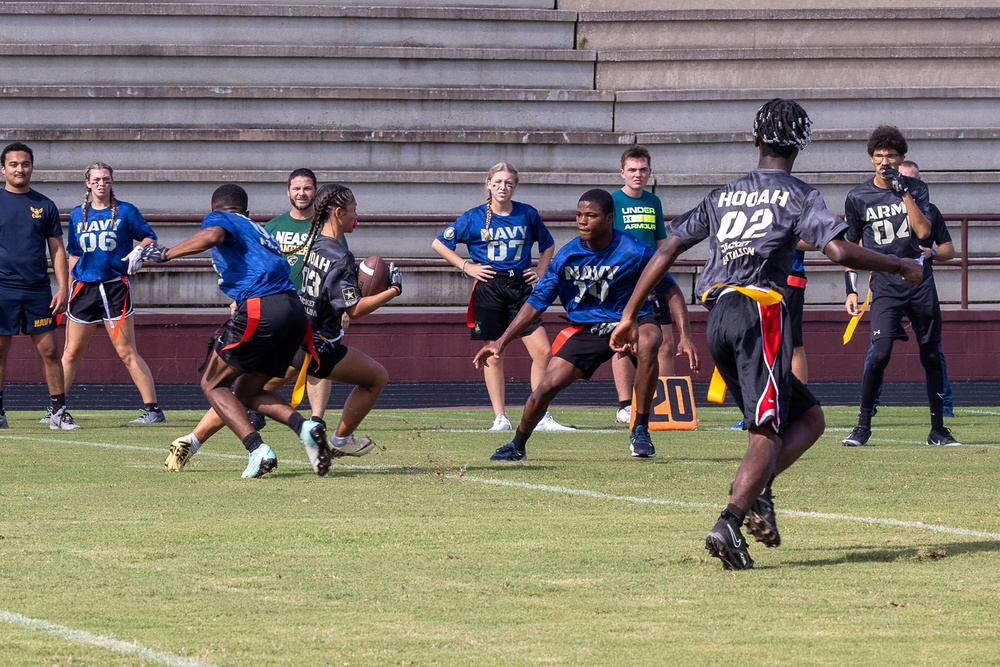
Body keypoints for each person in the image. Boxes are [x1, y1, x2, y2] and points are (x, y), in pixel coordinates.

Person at [610, 99, 923, 570]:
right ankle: (731, 518)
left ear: (755, 140)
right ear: (801, 144)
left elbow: (669, 247)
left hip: (719, 315)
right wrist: (900, 264)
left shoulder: (723, 194)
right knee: (766, 430)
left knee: (809, 417)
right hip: (761, 313)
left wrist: (629, 312)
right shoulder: (799, 194)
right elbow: (837, 251)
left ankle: (758, 492)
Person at [163, 184, 402, 475]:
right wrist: (393, 290)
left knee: (243, 391)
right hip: (307, 333)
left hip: (291, 323)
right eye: (354, 209)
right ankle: (334, 437)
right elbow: (353, 308)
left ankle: (197, 439)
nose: (358, 214)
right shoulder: (337, 254)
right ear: (339, 213)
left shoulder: (313, 245)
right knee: (374, 376)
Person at [473, 189, 699, 461]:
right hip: (590, 328)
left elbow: (671, 290)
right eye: (579, 215)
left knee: (650, 341)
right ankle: (517, 444)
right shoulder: (567, 255)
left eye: (591, 215)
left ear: (608, 219)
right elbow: (535, 303)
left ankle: (640, 427)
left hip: (633, 321)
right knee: (544, 389)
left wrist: (685, 335)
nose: (582, 221)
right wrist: (501, 341)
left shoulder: (635, 250)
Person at [134, 184, 328, 478]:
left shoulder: (223, 219)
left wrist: (165, 254)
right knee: (248, 392)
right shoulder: (257, 228)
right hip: (292, 310)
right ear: (247, 212)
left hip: (263, 307)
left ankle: (257, 449)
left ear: (216, 210)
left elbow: (213, 235)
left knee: (212, 384)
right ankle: (306, 428)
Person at [432, 162, 572, 432]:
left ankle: (540, 414)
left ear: (515, 186)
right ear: (488, 184)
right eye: (497, 182)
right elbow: (439, 242)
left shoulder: (527, 213)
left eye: (508, 182)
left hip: (520, 287)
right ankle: (500, 417)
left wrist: (541, 272)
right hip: (489, 287)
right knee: (494, 355)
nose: (502, 187)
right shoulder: (473, 217)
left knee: (543, 351)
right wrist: (466, 266)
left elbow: (548, 244)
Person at [841, 128, 960, 447]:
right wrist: (850, 289)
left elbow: (924, 233)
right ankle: (862, 426)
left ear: (900, 158)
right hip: (884, 284)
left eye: (891, 156)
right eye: (878, 156)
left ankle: (938, 429)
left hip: (919, 282)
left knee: (931, 354)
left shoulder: (917, 188)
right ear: (870, 159)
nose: (884, 162)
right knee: (879, 354)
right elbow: (851, 246)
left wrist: (903, 191)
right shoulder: (857, 197)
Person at [57, 162, 164, 424]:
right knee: (70, 352)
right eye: (96, 179)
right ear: (87, 183)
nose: (101, 183)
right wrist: (70, 285)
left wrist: (139, 251)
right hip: (83, 289)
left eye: (105, 179)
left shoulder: (126, 211)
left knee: (126, 351)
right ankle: (56, 407)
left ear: (111, 182)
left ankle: (153, 410)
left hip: (114, 288)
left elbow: (149, 237)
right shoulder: (76, 215)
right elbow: (73, 253)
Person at [865, 160, 955, 418]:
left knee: (932, 348)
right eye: (901, 178)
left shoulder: (929, 211)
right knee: (879, 350)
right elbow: (861, 243)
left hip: (920, 288)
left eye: (911, 179)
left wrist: (933, 252)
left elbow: (949, 249)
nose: (905, 183)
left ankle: (944, 408)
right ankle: (869, 409)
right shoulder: (877, 208)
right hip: (888, 287)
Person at [0, 141, 75, 430]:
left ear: (32, 167)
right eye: (14, 164)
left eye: (25, 163)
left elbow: (57, 249)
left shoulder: (45, 205)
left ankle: (58, 412)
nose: (20, 168)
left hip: (36, 291)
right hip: (3, 290)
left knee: (50, 352)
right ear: (3, 168)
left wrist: (64, 288)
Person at [610, 145, 685, 424]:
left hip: (653, 277)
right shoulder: (612, 201)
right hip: (623, 280)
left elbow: (660, 240)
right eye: (632, 170)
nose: (637, 174)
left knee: (666, 341)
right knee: (624, 342)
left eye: (642, 169)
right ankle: (625, 405)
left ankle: (662, 402)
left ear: (650, 172)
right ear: (622, 173)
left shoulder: (653, 202)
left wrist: (668, 261)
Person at [264, 168, 332, 427]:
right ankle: (251, 401)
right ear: (288, 191)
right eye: (297, 188)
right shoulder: (273, 226)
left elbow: (340, 268)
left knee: (320, 357)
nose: (302, 193)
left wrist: (344, 308)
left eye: (307, 188)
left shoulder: (327, 225)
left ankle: (317, 419)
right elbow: (260, 266)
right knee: (285, 365)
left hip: (318, 307)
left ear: (315, 191)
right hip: (278, 305)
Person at [731, 241, 813, 430]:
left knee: (792, 344)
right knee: (753, 346)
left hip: (787, 278)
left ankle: (798, 409)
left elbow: (815, 240)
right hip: (751, 278)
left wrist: (780, 235)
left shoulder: (800, 209)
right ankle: (755, 409)